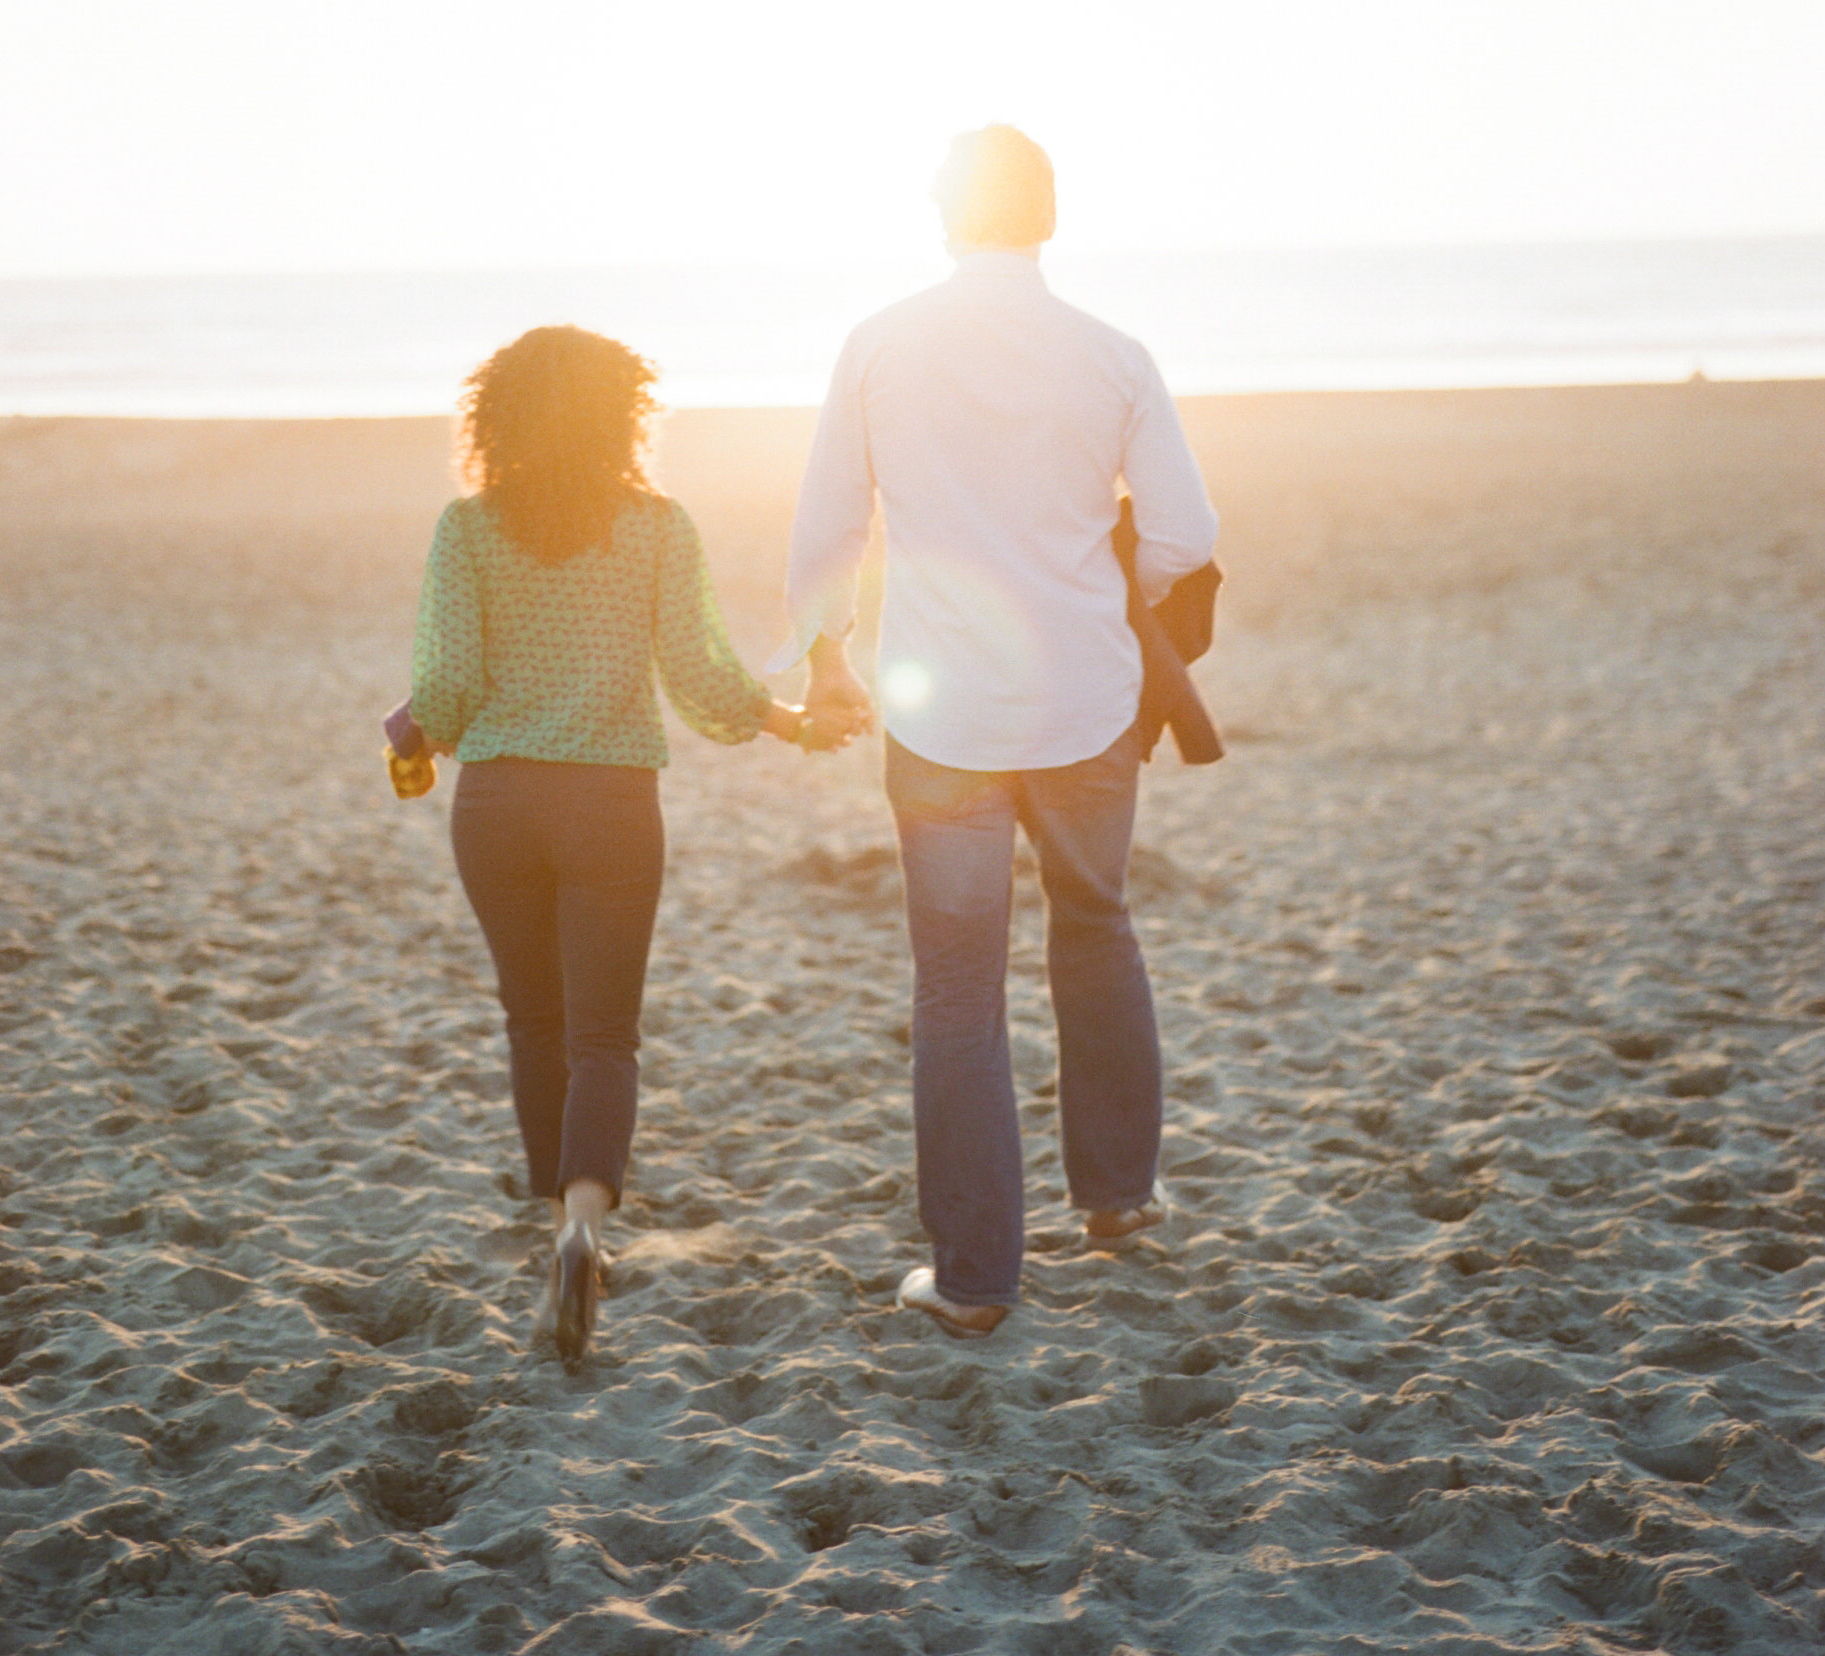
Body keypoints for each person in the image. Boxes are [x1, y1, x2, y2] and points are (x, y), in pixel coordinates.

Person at [777, 127, 1218, 1335]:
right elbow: (1184, 532)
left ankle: (973, 1278)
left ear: (942, 215)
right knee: (1096, 923)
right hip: (1086, 704)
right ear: (1050, 216)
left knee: (957, 990)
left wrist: (821, 656)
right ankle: (1117, 1202)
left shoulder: (877, 344)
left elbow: (824, 533)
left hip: (942, 715)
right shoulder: (1113, 355)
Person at [399, 324, 847, 1366]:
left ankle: (553, 1212)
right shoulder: (655, 526)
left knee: (531, 1016)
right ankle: (584, 1227)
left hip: (498, 804)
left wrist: (432, 730)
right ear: (623, 414)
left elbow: (447, 688)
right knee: (606, 1034)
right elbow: (698, 676)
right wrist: (787, 720)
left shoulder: (464, 529)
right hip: (611, 803)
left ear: (496, 415)